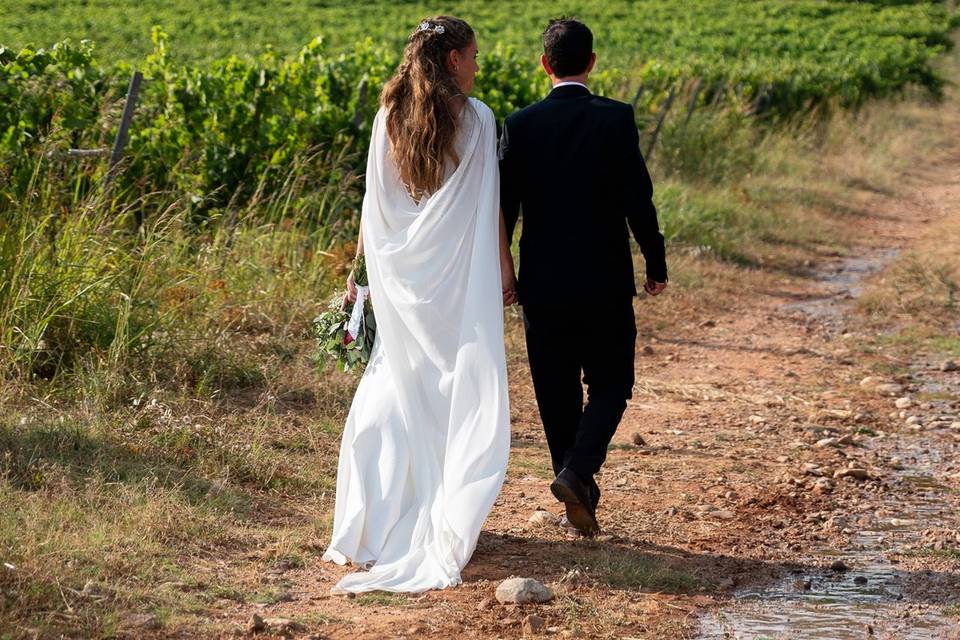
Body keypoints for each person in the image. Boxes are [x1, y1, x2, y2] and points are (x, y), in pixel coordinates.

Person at [321, 15, 516, 593]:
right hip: (456, 275)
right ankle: (445, 504)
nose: (478, 65)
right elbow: (488, 203)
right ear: (453, 58)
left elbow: (372, 203)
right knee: (453, 382)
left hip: (400, 275)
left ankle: (378, 515)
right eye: (473, 55)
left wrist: (363, 270)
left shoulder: (388, 117)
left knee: (398, 378)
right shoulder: (478, 120)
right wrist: (504, 268)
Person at [498, 18, 668, 536]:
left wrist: (502, 273)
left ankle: (574, 481)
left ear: (545, 65)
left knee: (555, 390)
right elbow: (638, 198)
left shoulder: (520, 124)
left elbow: (502, 209)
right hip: (604, 280)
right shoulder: (616, 118)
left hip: (543, 283)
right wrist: (654, 262)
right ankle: (577, 473)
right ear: (591, 63)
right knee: (613, 383)